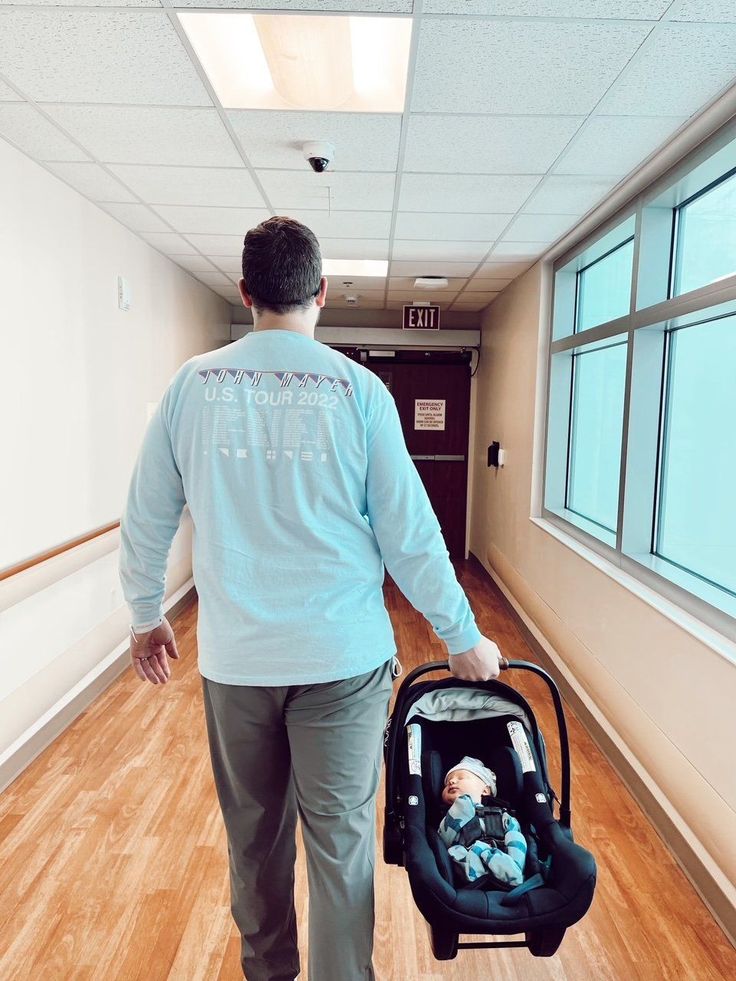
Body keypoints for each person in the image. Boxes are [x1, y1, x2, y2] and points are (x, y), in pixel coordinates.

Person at [119, 215, 504, 981]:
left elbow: (146, 513)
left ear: (246, 292)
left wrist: (143, 611)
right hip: (343, 661)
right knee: (340, 844)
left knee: (254, 840)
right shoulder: (359, 391)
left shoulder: (191, 387)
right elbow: (411, 532)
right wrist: (461, 634)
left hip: (238, 663)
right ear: (321, 292)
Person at [438, 756, 526, 887]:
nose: (452, 782)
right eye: (447, 783)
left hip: (502, 854)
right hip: (470, 855)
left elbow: (514, 832)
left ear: (485, 790)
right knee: (454, 851)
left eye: (460, 778)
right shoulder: (449, 817)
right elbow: (444, 839)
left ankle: (512, 870)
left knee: (515, 835)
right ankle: (480, 872)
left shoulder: (501, 813)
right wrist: (460, 806)